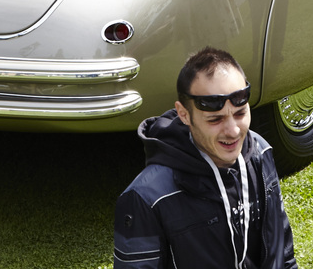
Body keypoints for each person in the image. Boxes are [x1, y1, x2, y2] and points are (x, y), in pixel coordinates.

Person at [111, 47, 299, 269]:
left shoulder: (260, 152)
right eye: (215, 120)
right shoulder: (145, 197)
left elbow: (283, 257)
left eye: (240, 114)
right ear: (184, 115)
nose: (233, 131)